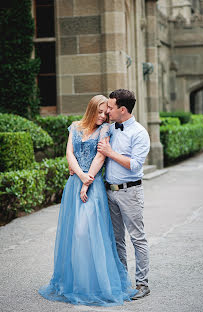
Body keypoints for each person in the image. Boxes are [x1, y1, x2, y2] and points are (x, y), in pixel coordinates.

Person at [38, 95, 137, 307]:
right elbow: (69, 153)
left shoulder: (105, 130)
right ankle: (77, 284)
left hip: (93, 188)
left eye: (105, 112)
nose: (103, 116)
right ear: (91, 110)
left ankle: (96, 285)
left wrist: (87, 181)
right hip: (74, 185)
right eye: (99, 112)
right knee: (74, 233)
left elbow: (100, 157)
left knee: (88, 232)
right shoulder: (75, 127)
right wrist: (80, 176)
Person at [97, 89, 150, 299]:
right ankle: (122, 281)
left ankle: (142, 284)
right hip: (109, 192)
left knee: (137, 238)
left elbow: (136, 166)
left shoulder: (139, 133)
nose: (107, 110)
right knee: (117, 239)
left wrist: (110, 153)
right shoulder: (110, 128)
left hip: (130, 192)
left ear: (122, 109)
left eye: (110, 107)